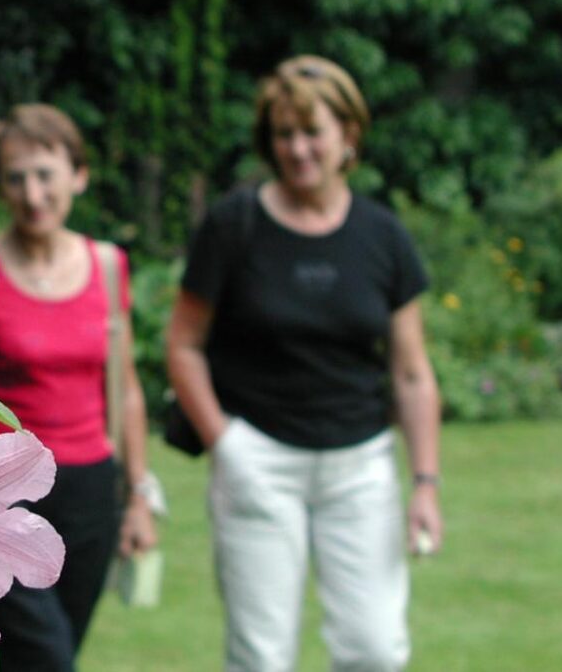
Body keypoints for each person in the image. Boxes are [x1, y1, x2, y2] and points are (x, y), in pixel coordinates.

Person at [166, 55, 443, 672]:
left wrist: (425, 482)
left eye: (312, 131)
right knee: (261, 657)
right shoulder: (234, 225)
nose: (298, 149)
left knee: (374, 649)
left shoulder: (383, 236)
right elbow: (182, 344)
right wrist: (225, 443)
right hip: (258, 458)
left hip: (361, 468)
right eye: (283, 134)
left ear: (349, 135)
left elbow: (412, 372)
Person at [0, 103, 157, 671]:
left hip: (94, 489)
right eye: (15, 177)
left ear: (78, 174)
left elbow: (126, 390)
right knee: (47, 658)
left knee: (43, 654)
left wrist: (138, 495)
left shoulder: (109, 267)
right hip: (0, 493)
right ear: (0, 187)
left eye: (45, 173)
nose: (32, 192)